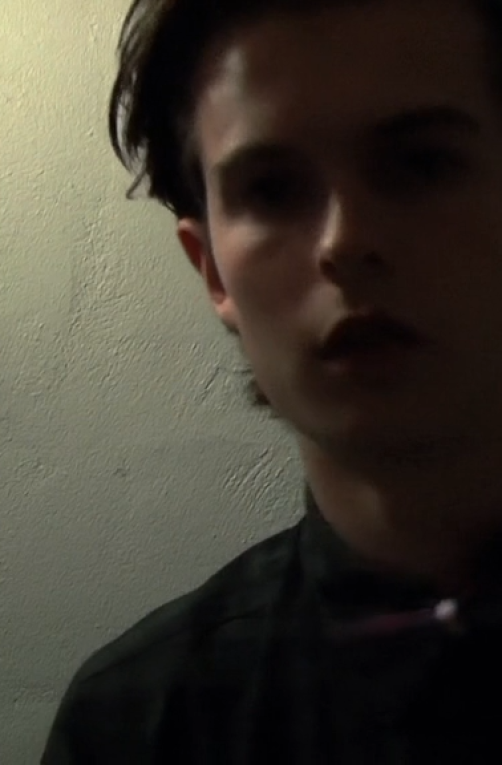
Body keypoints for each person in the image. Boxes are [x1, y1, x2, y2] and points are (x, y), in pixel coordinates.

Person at [41, 0, 502, 761]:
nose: (344, 241)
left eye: (422, 163)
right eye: (272, 190)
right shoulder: (139, 722)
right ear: (213, 273)